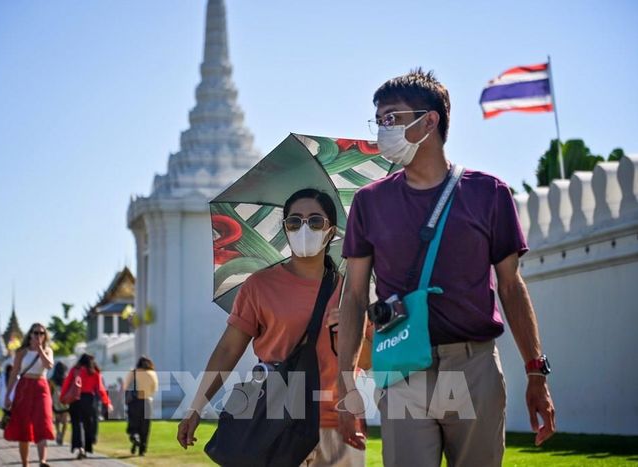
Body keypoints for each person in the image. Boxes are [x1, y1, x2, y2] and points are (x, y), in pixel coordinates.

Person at [335, 69, 557, 467]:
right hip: (403, 367)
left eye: (392, 118)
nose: (382, 130)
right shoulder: (369, 202)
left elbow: (510, 286)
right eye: (379, 120)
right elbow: (353, 296)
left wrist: (536, 372)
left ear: (429, 121)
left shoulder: (488, 193)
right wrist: (345, 381)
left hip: (473, 366)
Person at [177, 188, 367, 466]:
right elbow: (228, 349)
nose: (304, 228)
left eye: (315, 221)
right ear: (285, 229)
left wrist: (349, 330)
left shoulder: (351, 291)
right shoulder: (259, 286)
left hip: (339, 422)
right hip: (278, 423)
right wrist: (196, 406)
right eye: (294, 222)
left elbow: (371, 359)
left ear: (331, 231)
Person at [3, 323, 55, 467]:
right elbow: (14, 374)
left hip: (41, 387)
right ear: (30, 334)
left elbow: (48, 365)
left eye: (42, 333)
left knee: (43, 422)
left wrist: (39, 349)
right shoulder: (22, 352)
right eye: (36, 333)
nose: (39, 336)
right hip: (24, 387)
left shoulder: (48, 350)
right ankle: (25, 463)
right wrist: (8, 395)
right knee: (23, 426)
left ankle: (42, 461)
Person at [60, 353, 112, 459]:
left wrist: (63, 397)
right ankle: (87, 445)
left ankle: (80, 447)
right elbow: (100, 389)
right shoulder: (94, 372)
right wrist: (107, 402)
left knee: (76, 424)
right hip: (89, 400)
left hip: (75, 399)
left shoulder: (75, 370)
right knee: (88, 425)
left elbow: (67, 383)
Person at [123, 356, 159, 456]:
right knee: (145, 427)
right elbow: (154, 389)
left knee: (133, 424)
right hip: (147, 402)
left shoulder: (133, 372)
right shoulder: (152, 373)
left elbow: (125, 386)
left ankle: (135, 437)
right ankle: (142, 449)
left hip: (134, 402)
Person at [48, 361, 69, 445]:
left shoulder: (51, 380)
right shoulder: (66, 379)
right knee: (65, 420)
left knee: (57, 419)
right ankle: (62, 436)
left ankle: (58, 432)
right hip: (65, 402)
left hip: (55, 402)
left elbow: (50, 392)